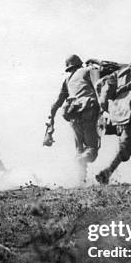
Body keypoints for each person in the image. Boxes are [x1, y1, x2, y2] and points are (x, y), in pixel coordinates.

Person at [94, 58, 131, 184]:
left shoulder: (114, 76)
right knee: (127, 146)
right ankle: (106, 173)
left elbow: (104, 98)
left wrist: (110, 109)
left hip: (120, 115)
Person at [48, 54, 100, 183]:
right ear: (79, 63)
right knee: (91, 149)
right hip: (88, 111)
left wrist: (52, 118)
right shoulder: (88, 71)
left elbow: (57, 102)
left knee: (79, 149)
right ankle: (80, 162)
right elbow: (99, 86)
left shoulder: (67, 80)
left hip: (73, 115)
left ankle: (80, 180)